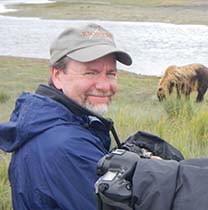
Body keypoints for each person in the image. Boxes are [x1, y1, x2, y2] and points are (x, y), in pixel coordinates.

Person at [0, 23, 132, 210]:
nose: (104, 85)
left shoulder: (45, 121)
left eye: (111, 73)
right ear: (58, 75)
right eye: (90, 72)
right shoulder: (68, 147)